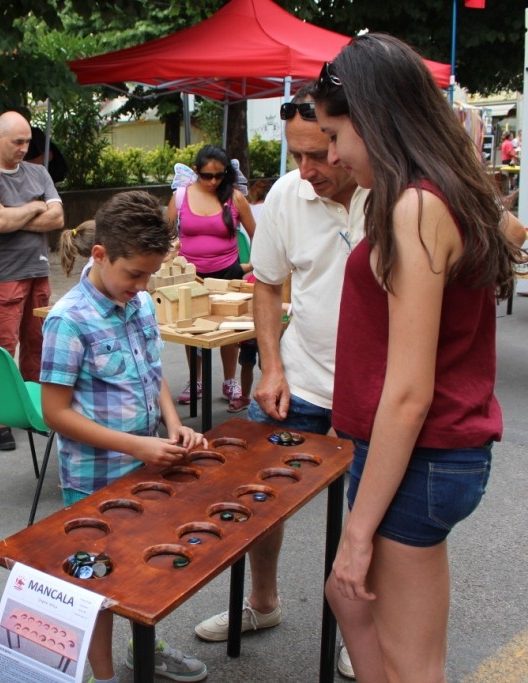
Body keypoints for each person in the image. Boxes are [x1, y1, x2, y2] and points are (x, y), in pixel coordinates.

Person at [310, 34, 526, 682]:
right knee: (361, 613)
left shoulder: (417, 204)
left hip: (419, 456)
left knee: (410, 664)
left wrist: (356, 532)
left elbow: (409, 393)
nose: (333, 154)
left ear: (373, 118)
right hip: (424, 457)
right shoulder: (434, 191)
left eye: (336, 134)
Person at [189, 84, 367, 680]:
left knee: (374, 514)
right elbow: (266, 282)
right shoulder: (291, 194)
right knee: (254, 495)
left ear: (353, 136)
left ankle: (361, 632)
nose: (307, 169)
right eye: (296, 155)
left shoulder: (393, 190)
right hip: (303, 377)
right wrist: (272, 365)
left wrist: (364, 396)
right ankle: (262, 604)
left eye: (320, 153)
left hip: (373, 391)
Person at [41, 190, 208, 683]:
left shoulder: (137, 303)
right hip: (95, 480)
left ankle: (145, 648)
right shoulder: (68, 320)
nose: (141, 284)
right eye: (134, 273)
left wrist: (174, 424)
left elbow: (151, 372)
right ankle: (104, 674)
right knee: (98, 584)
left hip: (145, 470)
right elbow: (54, 413)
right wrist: (138, 445)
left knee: (143, 571)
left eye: (149, 275)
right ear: (100, 255)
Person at [0, 110, 64, 452]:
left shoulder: (39, 172)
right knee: (2, 349)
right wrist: (35, 207)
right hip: (2, 276)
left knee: (37, 346)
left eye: (27, 141)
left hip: (38, 271)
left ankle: (30, 409)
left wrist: (12, 214)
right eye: (17, 141)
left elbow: (58, 217)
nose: (24, 148)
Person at [166, 144, 256, 412]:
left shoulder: (235, 198)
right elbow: (166, 234)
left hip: (228, 271)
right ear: (196, 172)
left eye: (220, 175)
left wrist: (250, 267)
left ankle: (230, 381)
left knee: (228, 329)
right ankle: (196, 381)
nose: (214, 181)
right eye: (207, 176)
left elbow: (258, 233)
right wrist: (171, 259)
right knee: (190, 328)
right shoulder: (181, 197)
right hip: (190, 276)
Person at [233, 177, 274, 414]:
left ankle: (249, 395)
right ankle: (246, 395)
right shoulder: (252, 277)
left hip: (262, 327)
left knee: (258, 361)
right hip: (252, 326)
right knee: (249, 360)